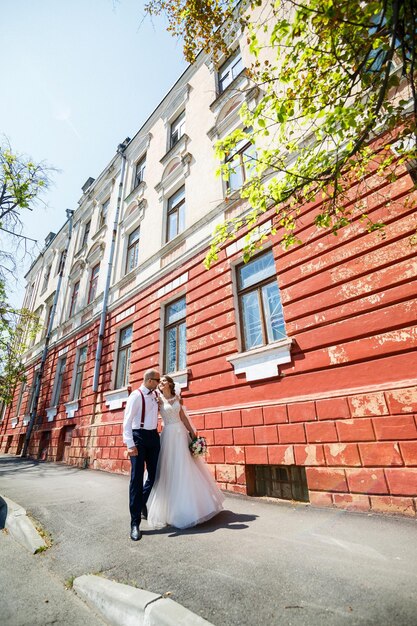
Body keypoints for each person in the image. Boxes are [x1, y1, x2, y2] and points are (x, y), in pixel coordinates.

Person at [147, 375, 224, 530]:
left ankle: (194, 507)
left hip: (181, 434)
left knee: (186, 467)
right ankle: (171, 511)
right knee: (170, 469)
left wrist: (193, 432)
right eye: (159, 382)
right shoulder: (157, 400)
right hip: (168, 435)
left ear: (169, 383)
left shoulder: (177, 398)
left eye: (163, 381)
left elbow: (183, 417)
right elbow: (150, 416)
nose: (160, 383)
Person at [123, 368, 161, 541]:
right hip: (138, 437)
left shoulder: (154, 394)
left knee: (154, 475)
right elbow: (127, 422)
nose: (159, 383)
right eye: (157, 380)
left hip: (153, 437)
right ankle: (135, 523)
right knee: (136, 479)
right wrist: (130, 444)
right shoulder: (136, 396)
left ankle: (141, 502)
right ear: (150, 380)